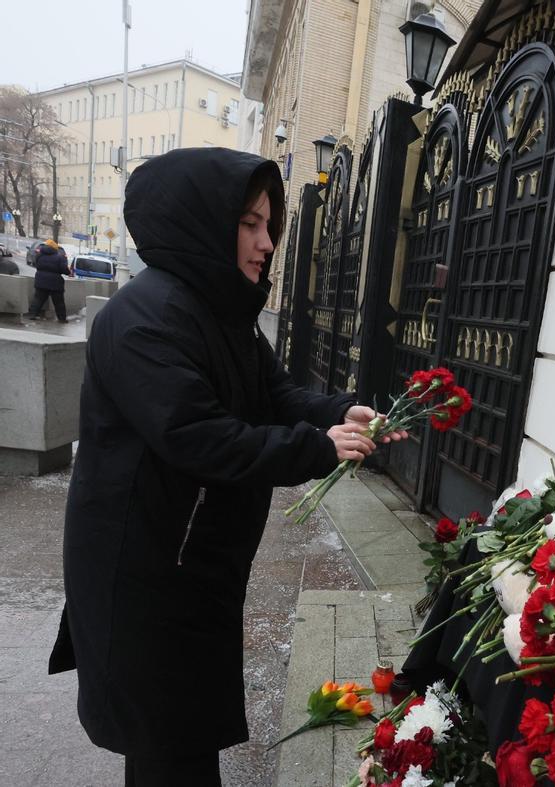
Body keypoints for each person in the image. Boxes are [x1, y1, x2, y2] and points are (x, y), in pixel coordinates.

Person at [48, 148, 397, 786]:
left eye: (269, 225)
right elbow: (200, 437)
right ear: (200, 222)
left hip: (191, 563)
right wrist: (318, 448)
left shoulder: (220, 310)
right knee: (165, 742)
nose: (267, 242)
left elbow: (277, 397)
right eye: (249, 224)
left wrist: (345, 413)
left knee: (184, 732)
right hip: (144, 570)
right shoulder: (142, 318)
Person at [26, 238, 72, 321]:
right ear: (55, 248)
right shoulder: (59, 257)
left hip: (40, 280)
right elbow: (64, 269)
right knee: (59, 302)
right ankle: (62, 319)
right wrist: (69, 272)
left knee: (38, 299)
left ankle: (32, 315)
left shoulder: (39, 255)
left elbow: (36, 264)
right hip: (55, 283)